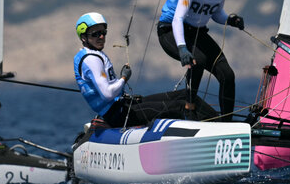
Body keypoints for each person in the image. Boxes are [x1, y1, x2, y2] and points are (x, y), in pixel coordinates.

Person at [74, 12, 210, 128]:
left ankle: (222, 123)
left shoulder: (93, 54)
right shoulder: (91, 59)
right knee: (180, 106)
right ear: (84, 38)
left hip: (124, 105)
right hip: (118, 115)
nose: (101, 37)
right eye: (95, 34)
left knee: (186, 95)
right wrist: (124, 78)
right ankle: (211, 132)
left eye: (103, 32)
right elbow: (108, 94)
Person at [157, 0, 244, 117]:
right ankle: (189, 109)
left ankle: (227, 123)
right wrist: (182, 48)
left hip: (196, 33)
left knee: (227, 75)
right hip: (170, 30)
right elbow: (178, 18)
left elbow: (216, 14)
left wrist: (231, 20)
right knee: (198, 60)